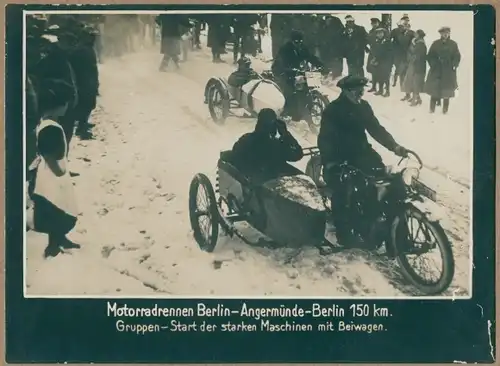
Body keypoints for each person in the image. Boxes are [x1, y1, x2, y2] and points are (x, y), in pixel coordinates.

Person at [317, 75, 409, 248]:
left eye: (362, 91)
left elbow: (376, 129)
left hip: (363, 154)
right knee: (343, 191)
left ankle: (390, 231)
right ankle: (343, 234)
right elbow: (325, 139)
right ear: (345, 91)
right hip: (340, 158)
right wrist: (330, 162)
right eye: (356, 91)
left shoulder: (364, 107)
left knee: (388, 184)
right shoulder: (333, 110)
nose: (360, 95)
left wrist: (394, 147)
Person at [29, 78, 81, 258]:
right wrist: (59, 171)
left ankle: (59, 238)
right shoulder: (51, 128)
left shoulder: (46, 122)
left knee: (60, 207)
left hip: (51, 173)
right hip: (51, 176)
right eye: (65, 103)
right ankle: (53, 245)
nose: (67, 107)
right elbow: (50, 154)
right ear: (58, 105)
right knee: (58, 210)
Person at [231, 108, 303, 178]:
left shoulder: (245, 139)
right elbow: (297, 154)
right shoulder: (276, 146)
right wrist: (286, 135)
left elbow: (233, 158)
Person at [271, 30, 324, 118]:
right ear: (292, 41)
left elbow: (310, 57)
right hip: (282, 71)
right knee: (290, 90)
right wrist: (288, 70)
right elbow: (280, 62)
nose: (298, 44)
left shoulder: (302, 48)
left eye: (300, 42)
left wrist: (321, 66)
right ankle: (287, 111)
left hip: (296, 71)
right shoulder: (285, 49)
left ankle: (305, 105)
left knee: (304, 86)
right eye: (296, 42)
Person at [424, 26, 461, 114]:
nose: (445, 35)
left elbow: (457, 56)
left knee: (446, 91)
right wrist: (433, 64)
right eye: (443, 33)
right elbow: (430, 56)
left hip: (448, 71)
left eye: (447, 33)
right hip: (436, 70)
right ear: (440, 34)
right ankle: (431, 109)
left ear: (449, 34)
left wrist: (454, 65)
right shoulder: (435, 44)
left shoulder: (453, 44)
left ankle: (445, 110)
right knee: (434, 90)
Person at [401, 29, 427, 106]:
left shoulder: (421, 44)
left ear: (419, 35)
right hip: (414, 65)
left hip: (418, 66)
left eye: (416, 33)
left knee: (416, 82)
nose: (414, 34)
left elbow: (418, 55)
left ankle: (415, 100)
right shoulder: (416, 42)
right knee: (412, 81)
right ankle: (417, 99)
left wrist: (412, 58)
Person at [369, 27, 393, 97]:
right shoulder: (377, 42)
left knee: (386, 77)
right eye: (378, 33)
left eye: (381, 33)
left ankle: (387, 92)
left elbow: (389, 53)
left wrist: (380, 60)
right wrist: (374, 59)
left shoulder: (387, 42)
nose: (379, 35)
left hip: (386, 62)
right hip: (378, 62)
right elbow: (375, 51)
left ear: (384, 34)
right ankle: (380, 90)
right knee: (379, 76)